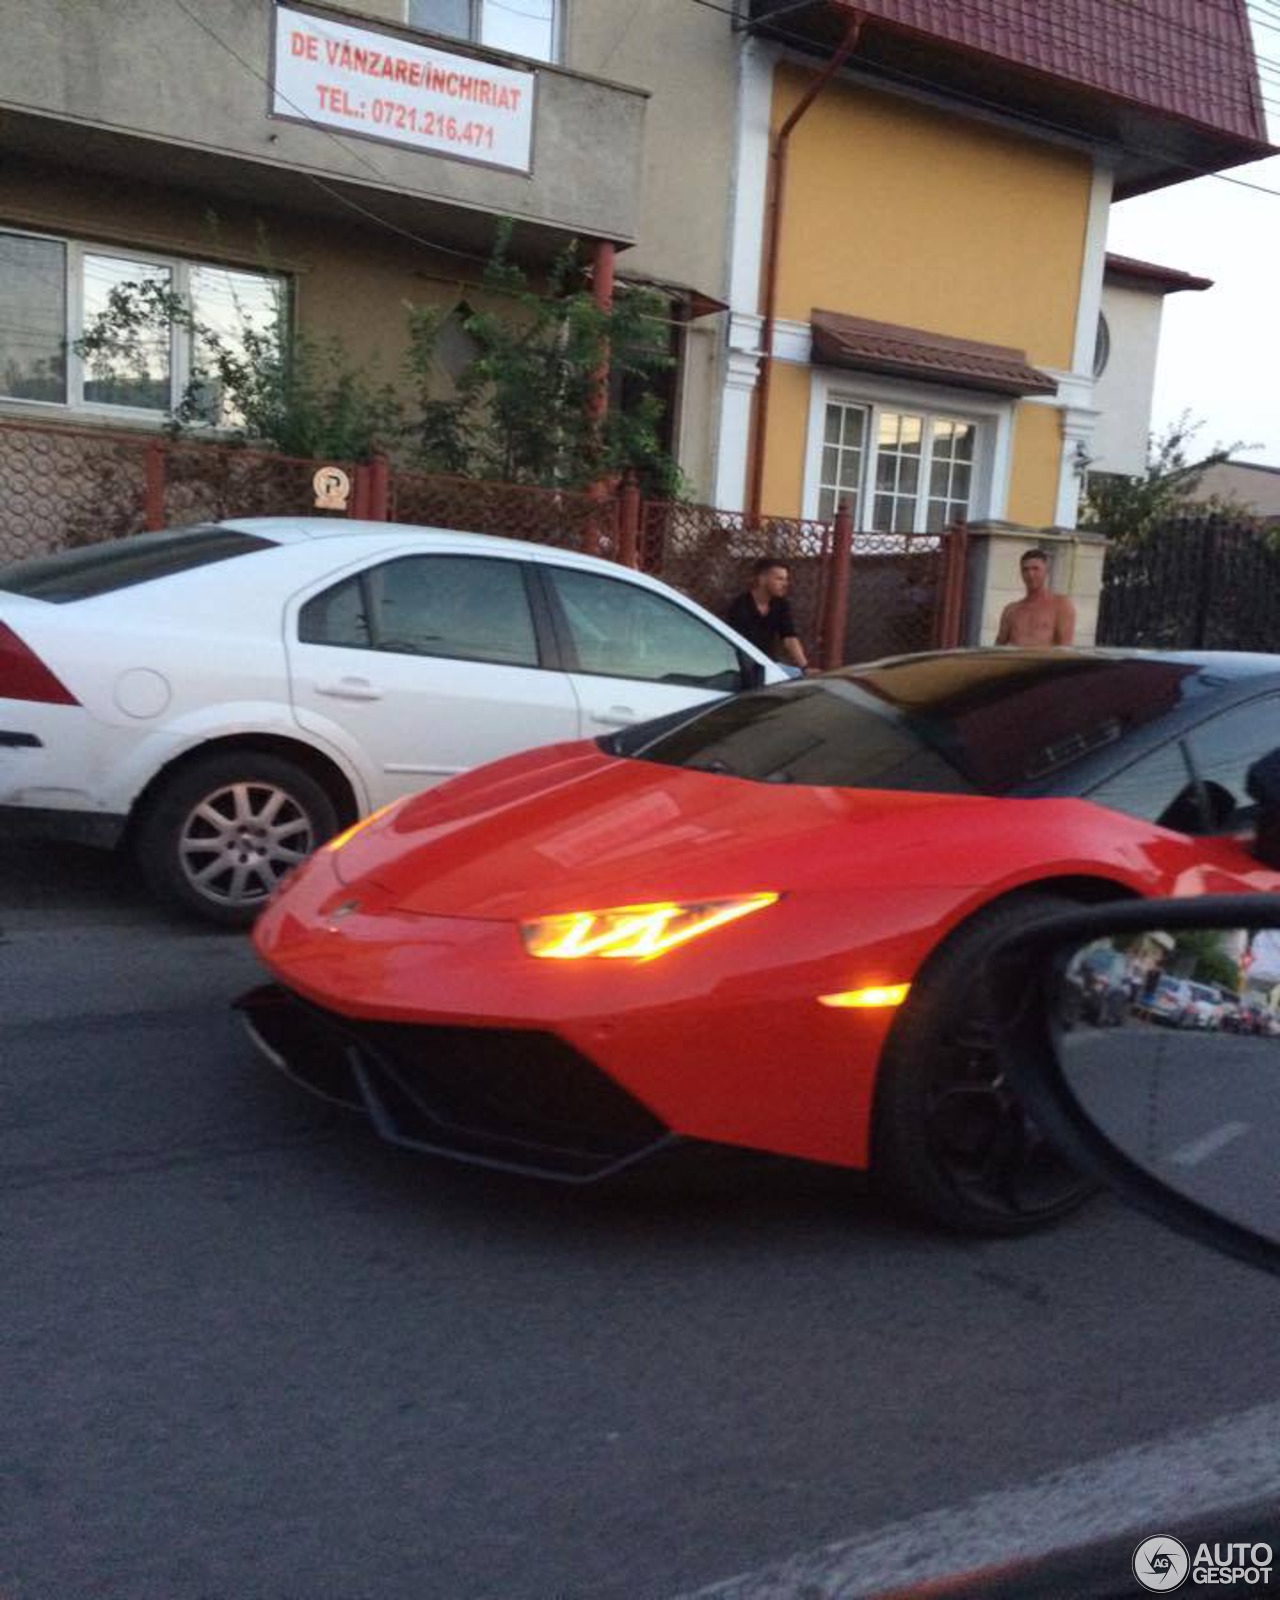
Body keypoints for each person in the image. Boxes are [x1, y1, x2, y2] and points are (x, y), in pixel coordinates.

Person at [725, 557, 814, 673]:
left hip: (769, 664)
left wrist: (805, 668)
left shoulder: (780, 604)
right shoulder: (740, 605)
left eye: (786, 579)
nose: (785, 584)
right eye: (779, 579)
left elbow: (789, 638)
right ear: (762, 579)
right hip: (741, 666)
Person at [995, 548, 1076, 646]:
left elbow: (1065, 648)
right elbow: (998, 647)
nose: (1030, 574)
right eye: (1025, 570)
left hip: (1045, 661)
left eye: (1035, 569)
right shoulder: (1011, 611)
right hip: (1016, 660)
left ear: (1046, 571)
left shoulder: (1061, 605)